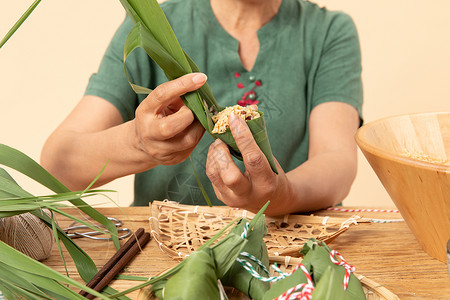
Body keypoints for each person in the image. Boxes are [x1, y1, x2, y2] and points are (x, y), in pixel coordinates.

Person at [40, 0, 363, 216]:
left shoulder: (327, 30)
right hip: (164, 248)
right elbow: (58, 166)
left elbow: (337, 161)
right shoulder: (153, 28)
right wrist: (140, 143)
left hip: (288, 248)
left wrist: (282, 194)